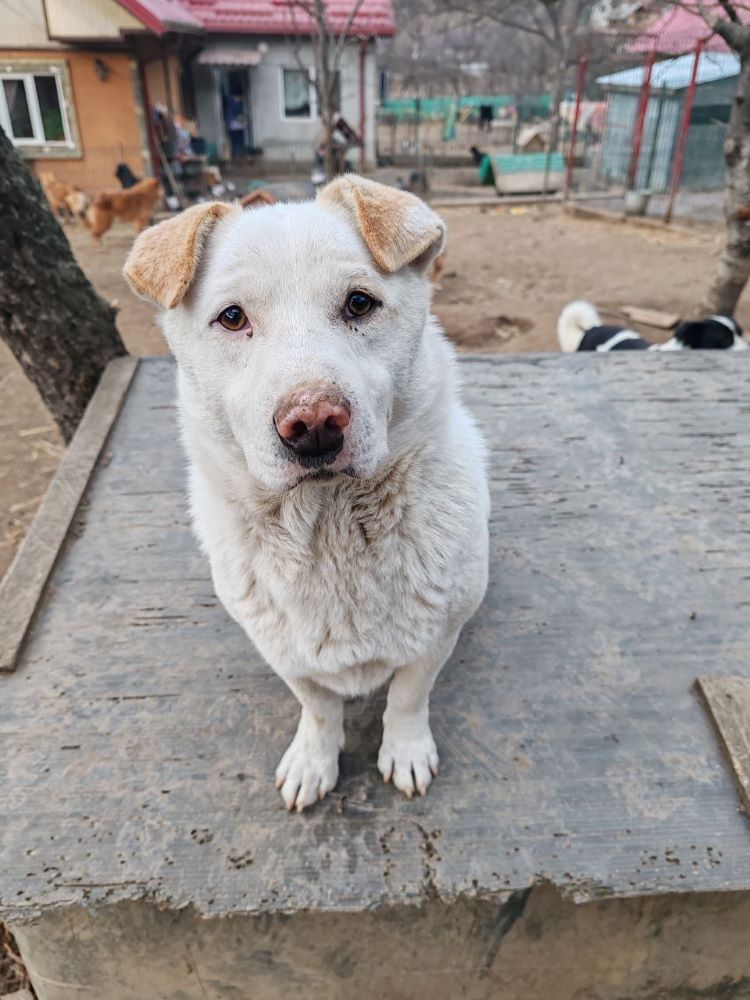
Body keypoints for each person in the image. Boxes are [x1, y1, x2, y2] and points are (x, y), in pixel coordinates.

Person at [224, 92, 245, 159]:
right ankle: (237, 156)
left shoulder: (229, 104)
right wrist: (243, 119)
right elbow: (239, 117)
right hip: (236, 127)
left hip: (230, 126)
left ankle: (234, 156)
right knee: (238, 143)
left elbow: (228, 116)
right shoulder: (236, 105)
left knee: (233, 142)